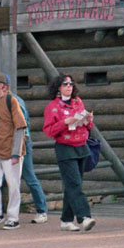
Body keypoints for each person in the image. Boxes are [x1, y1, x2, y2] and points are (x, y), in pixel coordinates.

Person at [42, 73, 97, 232]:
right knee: (74, 184)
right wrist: (64, 122)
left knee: (73, 185)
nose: (68, 87)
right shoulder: (52, 106)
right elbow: (49, 130)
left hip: (81, 145)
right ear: (58, 87)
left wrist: (88, 120)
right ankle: (84, 217)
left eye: (71, 84)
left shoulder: (78, 102)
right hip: (65, 148)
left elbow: (88, 126)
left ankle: (66, 220)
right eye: (65, 84)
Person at [0, 71, 28, 230]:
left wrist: (16, 153)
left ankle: (13, 217)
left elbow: (20, 127)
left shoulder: (11, 101)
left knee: (13, 184)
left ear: (2, 86)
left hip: (11, 149)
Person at [3, 73, 48, 224]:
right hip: (6, 144)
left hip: (21, 144)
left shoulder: (15, 101)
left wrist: (22, 143)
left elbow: (23, 126)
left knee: (29, 177)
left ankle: (42, 210)